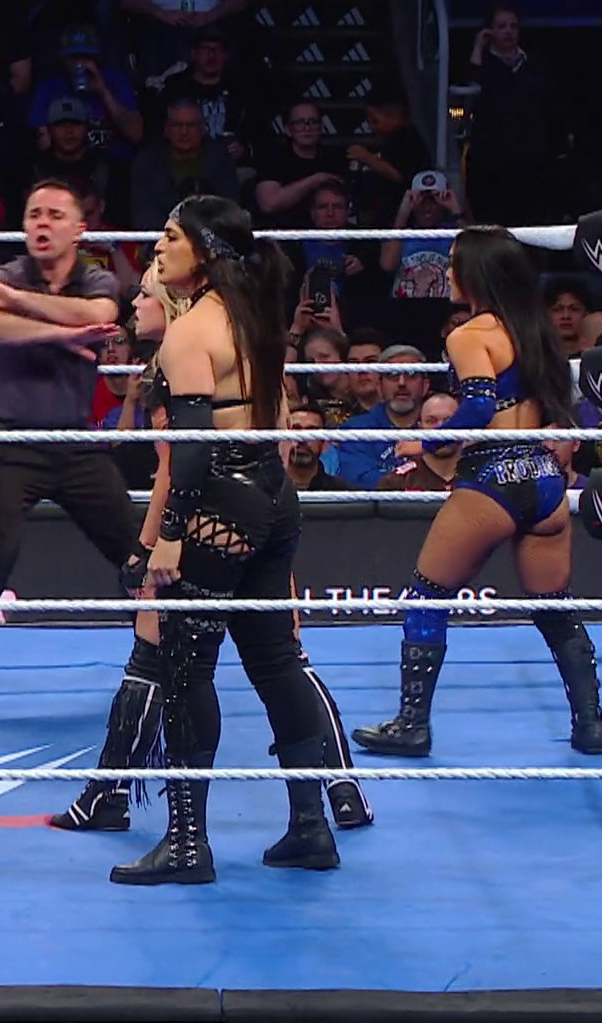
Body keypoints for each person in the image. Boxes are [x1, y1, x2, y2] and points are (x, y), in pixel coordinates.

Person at [52, 264, 372, 837]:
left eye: (144, 294)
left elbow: (175, 467)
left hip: (209, 523)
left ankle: (126, 803)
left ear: (169, 302)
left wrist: (149, 546)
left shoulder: (180, 358)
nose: (134, 305)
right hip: (265, 509)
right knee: (282, 657)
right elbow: (273, 444)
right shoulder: (246, 346)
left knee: (163, 658)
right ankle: (338, 793)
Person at [112, 194, 348, 886]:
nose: (157, 249)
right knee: (276, 661)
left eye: (170, 236)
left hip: (219, 500)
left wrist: (168, 536)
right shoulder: (254, 317)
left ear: (206, 251)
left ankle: (188, 844)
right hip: (273, 492)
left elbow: (190, 450)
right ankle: (311, 828)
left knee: (187, 669)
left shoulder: (190, 333)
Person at [350, 225, 602, 758]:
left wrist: (426, 442)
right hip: (543, 479)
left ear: (476, 273)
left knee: (426, 595)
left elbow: (480, 405)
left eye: (453, 263)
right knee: (554, 608)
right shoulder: (533, 330)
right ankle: (591, 725)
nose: (446, 272)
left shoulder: (470, 335)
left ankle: (412, 725)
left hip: (494, 475)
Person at [0, 179, 134, 723]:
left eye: (55, 215)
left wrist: (16, 305)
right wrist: (61, 335)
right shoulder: (10, 270)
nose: (42, 223)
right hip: (8, 441)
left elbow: (100, 314)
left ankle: (166, 666)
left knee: (136, 554)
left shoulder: (93, 278)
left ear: (79, 229)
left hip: (73, 442)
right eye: (34, 213)